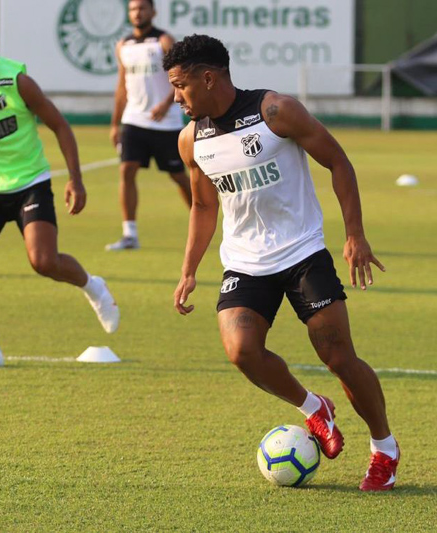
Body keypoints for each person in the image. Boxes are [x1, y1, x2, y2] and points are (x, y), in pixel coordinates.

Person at [164, 35, 399, 491]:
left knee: (338, 357)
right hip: (245, 262)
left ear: (208, 78)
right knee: (241, 351)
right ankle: (314, 409)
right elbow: (203, 206)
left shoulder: (275, 111)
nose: (176, 97)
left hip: (303, 253)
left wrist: (354, 235)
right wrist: (188, 269)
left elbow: (338, 162)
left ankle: (384, 449)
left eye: (180, 86)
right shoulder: (191, 138)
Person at [0, 21, 120, 369]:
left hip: (30, 182)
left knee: (43, 262)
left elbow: (60, 125)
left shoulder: (17, 82)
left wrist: (75, 179)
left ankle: (93, 286)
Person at [106, 0, 192, 251]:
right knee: (127, 171)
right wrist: (115, 124)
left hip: (165, 123)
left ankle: (200, 219)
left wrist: (167, 104)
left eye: (142, 8)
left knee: (178, 176)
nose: (137, 13)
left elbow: (182, 77)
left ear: (152, 12)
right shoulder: (123, 45)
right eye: (133, 9)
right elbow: (122, 86)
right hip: (134, 120)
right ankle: (129, 233)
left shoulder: (164, 41)